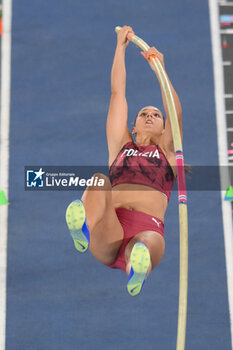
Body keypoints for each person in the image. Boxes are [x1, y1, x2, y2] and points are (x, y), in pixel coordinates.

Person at [66, 25, 182, 296]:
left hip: (147, 228)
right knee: (98, 180)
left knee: (144, 245)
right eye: (144, 114)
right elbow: (117, 94)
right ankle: (81, 226)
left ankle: (136, 269)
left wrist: (160, 72)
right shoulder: (120, 145)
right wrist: (120, 47)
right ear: (135, 127)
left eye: (155, 115)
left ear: (165, 130)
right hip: (110, 227)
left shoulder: (166, 152)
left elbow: (174, 112)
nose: (150, 116)